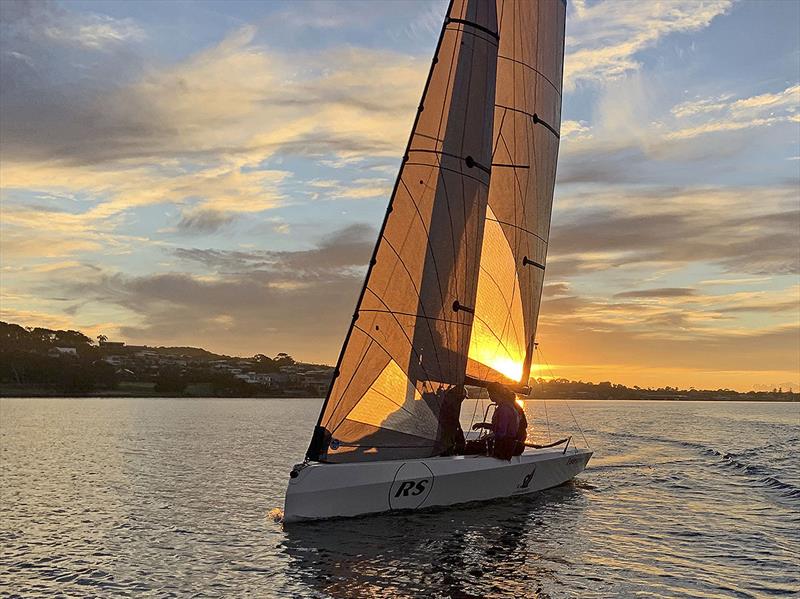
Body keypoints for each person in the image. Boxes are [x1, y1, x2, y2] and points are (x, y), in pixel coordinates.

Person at [464, 382, 519, 460]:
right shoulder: (506, 406)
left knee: (470, 447)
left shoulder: (504, 409)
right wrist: (483, 425)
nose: (489, 396)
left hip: (504, 447)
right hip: (506, 444)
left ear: (496, 393)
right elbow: (499, 428)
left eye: (490, 394)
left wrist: (489, 436)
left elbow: (501, 432)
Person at [438, 384, 466, 456]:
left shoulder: (449, 401)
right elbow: (452, 419)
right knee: (449, 442)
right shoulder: (451, 403)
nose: (462, 400)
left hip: (448, 427)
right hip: (445, 428)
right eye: (462, 398)